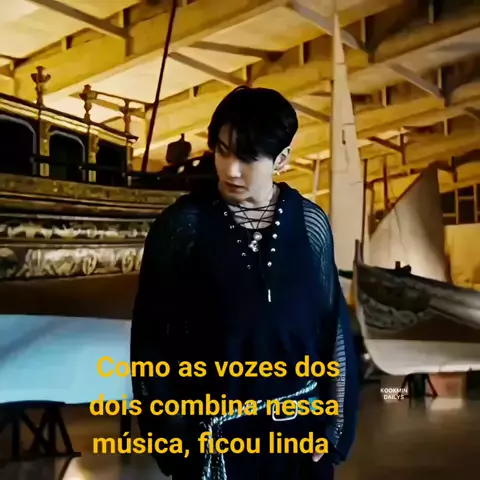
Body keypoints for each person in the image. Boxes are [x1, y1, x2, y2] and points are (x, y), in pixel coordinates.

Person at [130, 86, 358, 480]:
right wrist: (172, 440)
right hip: (213, 447)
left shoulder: (310, 224)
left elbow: (332, 327)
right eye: (222, 151)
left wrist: (334, 429)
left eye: (248, 158)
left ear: (281, 159)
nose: (231, 169)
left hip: (300, 447)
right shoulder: (182, 228)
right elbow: (151, 343)